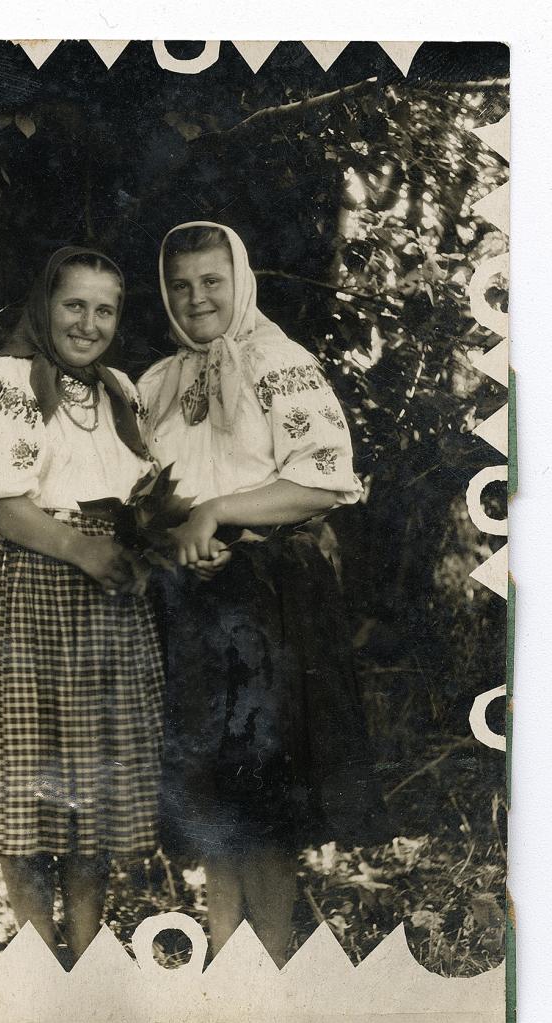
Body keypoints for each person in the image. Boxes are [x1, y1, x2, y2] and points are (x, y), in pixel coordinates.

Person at [138, 222, 391, 968]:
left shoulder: (280, 364)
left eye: (211, 281)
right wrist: (179, 540)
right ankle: (225, 966)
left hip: (271, 598)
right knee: (215, 801)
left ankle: (272, 967)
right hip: (190, 600)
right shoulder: (156, 386)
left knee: (266, 804)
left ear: (239, 281)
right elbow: (143, 499)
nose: (197, 298)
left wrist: (218, 513)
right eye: (181, 285)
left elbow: (323, 481)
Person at [0, 247, 164, 964]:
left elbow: (141, 494)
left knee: (95, 784)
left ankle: (85, 949)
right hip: (29, 586)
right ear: (46, 305)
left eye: (105, 310)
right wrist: (80, 549)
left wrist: (137, 549)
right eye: (74, 305)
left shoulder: (120, 389)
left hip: (107, 599)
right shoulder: (1, 380)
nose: (88, 324)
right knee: (24, 784)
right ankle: (35, 952)